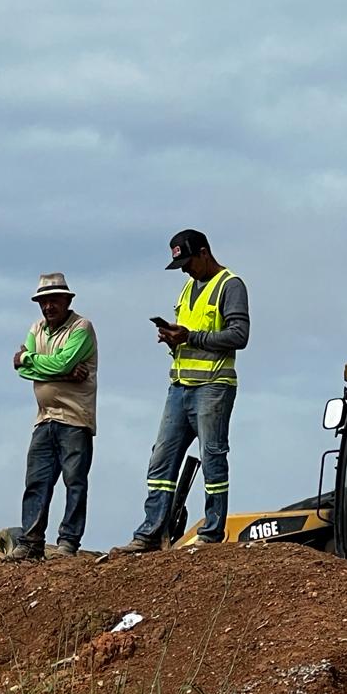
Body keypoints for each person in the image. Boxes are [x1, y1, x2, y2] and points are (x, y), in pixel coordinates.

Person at [115, 229, 249, 552]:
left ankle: (211, 532)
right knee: (161, 459)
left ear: (205, 253)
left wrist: (190, 337)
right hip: (180, 386)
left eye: (189, 262)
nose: (186, 270)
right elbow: (190, 337)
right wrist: (173, 339)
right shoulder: (188, 289)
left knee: (212, 458)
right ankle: (151, 532)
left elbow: (239, 335)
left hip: (213, 386)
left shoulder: (231, 286)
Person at [6, 273, 98, 561]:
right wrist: (64, 372)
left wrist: (28, 359)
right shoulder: (37, 328)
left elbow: (54, 361)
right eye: (43, 301)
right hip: (44, 418)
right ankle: (31, 541)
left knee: (74, 481)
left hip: (74, 418)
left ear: (67, 300)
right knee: (37, 481)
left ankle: (68, 541)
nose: (48, 306)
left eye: (53, 300)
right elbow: (22, 370)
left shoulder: (81, 327)